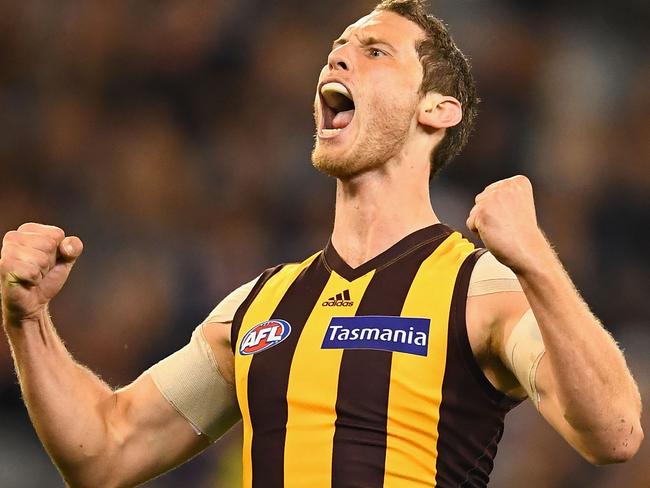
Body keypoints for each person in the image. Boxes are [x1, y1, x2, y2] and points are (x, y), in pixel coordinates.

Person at [0, 1, 643, 486]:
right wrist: (27, 320)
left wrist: (534, 259)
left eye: (375, 51)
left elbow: (614, 431)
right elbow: (105, 451)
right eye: (337, 48)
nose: (337, 58)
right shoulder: (259, 306)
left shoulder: (481, 290)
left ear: (436, 109)